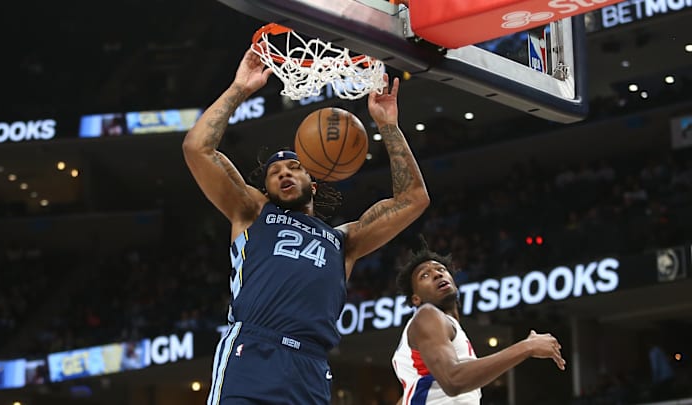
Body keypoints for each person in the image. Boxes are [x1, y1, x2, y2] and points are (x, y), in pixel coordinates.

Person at [183, 48, 429, 405]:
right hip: (252, 351)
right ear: (265, 188)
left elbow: (413, 199)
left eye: (294, 167)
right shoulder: (252, 211)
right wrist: (239, 88)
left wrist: (388, 126)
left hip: (311, 366)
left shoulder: (343, 240)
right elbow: (197, 148)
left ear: (313, 183)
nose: (284, 172)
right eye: (274, 172)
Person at [392, 241, 566, 404]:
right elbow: (453, 380)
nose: (437, 274)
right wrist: (527, 347)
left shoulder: (440, 329)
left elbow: (410, 394)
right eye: (425, 275)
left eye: (441, 269)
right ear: (416, 299)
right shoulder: (427, 315)